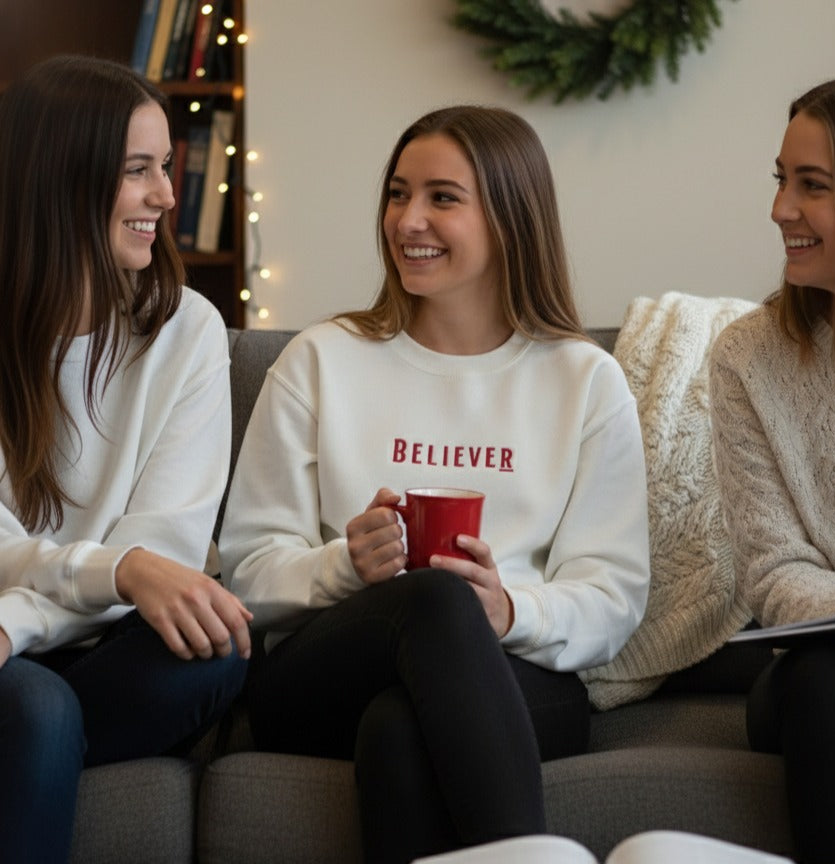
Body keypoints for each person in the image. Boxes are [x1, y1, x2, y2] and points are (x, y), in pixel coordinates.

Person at [219, 105, 650, 864]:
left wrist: (510, 607)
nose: (407, 220)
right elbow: (246, 573)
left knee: (400, 728)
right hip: (322, 673)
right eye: (396, 193)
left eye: (442, 198)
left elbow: (614, 594)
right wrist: (343, 565)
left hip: (516, 672)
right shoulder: (322, 360)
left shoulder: (583, 380)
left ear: (512, 219)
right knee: (436, 597)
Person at [0, 55, 252, 863]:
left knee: (216, 650)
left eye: (167, 169)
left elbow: (167, 557)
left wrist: (14, 623)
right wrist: (121, 571)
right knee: (37, 710)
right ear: (60, 180)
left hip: (103, 643)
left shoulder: (189, 333)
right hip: (39, 647)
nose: (167, 197)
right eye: (138, 171)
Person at [710, 76, 835, 864]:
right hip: (826, 665)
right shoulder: (748, 358)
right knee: (822, 678)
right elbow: (773, 565)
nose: (780, 209)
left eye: (813, 186)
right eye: (781, 180)